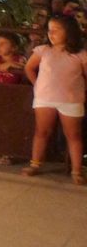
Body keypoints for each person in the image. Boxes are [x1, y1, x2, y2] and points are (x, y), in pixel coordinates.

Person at [21, 16, 86, 184]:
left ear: (69, 32)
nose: (51, 33)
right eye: (50, 30)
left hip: (71, 100)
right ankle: (35, 164)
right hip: (45, 98)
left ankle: (77, 170)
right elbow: (29, 68)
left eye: (56, 30)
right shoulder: (42, 50)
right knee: (41, 132)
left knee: (74, 135)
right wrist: (37, 84)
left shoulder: (80, 54)